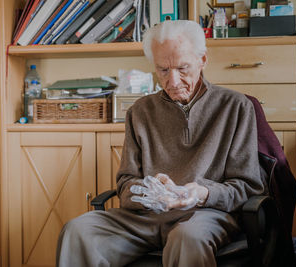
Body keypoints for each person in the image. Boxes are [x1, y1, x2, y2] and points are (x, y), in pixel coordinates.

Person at [56, 20, 265, 267]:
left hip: (204, 216)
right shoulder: (140, 112)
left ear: (203, 60)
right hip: (146, 218)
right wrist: (151, 192)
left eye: (182, 68)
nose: (173, 81)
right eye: (163, 70)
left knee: (187, 238)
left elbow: (247, 188)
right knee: (78, 231)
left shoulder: (236, 107)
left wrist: (200, 193)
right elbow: (125, 185)